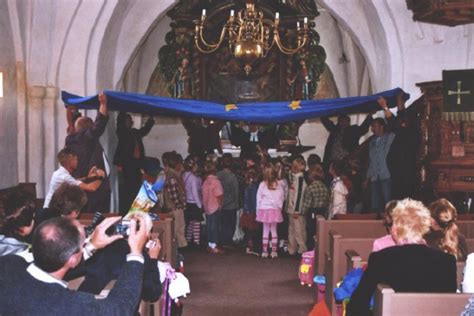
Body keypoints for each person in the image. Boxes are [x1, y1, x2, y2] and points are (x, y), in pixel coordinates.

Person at [0, 215, 150, 315]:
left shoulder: (8, 264)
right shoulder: (70, 305)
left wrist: (91, 246)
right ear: (72, 260)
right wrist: (136, 253)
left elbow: (52, 265)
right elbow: (120, 308)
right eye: (84, 240)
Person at [347, 198, 457, 316]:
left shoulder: (381, 258)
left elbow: (357, 305)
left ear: (395, 229)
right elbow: (450, 307)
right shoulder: (447, 261)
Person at [65, 92, 110, 213]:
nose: (70, 128)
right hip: (93, 190)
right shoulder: (85, 138)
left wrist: (70, 109)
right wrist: (103, 104)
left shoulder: (72, 140)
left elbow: (72, 125)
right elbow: (99, 124)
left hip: (84, 188)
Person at [114, 112, 155, 213]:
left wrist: (150, 120)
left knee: (136, 190)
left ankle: (135, 212)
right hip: (128, 166)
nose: (131, 122)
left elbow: (143, 131)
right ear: (123, 122)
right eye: (129, 120)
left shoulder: (134, 132)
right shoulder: (122, 132)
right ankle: (126, 213)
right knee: (129, 191)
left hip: (136, 166)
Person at [366, 117, 395, 213]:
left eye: (374, 126)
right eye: (371, 127)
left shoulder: (390, 137)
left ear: (382, 127)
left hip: (386, 175)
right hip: (375, 177)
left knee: (388, 203)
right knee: (375, 205)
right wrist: (368, 177)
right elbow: (371, 161)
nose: (372, 129)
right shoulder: (372, 142)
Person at [256, 163, 286, 258]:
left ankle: (264, 251)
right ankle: (274, 251)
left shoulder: (262, 184)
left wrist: (258, 211)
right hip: (275, 210)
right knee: (274, 230)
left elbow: (258, 198)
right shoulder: (279, 184)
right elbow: (281, 197)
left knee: (265, 230)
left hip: (264, 210)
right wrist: (279, 208)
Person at [163, 153, 188, 248]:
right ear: (176, 164)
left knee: (180, 226)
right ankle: (174, 247)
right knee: (176, 227)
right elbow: (174, 195)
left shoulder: (174, 175)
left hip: (177, 206)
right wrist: (180, 204)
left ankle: (181, 245)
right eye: (180, 163)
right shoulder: (172, 176)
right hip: (175, 207)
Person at [302, 163, 329, 249]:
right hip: (322, 211)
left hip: (313, 212)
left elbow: (307, 204)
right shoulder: (325, 187)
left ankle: (311, 248)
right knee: (319, 230)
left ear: (311, 176)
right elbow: (328, 201)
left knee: (311, 230)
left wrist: (302, 212)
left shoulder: (310, 188)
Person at [285, 156, 308, 256]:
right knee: (291, 229)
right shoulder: (294, 177)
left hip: (296, 210)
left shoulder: (300, 179)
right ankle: (292, 248)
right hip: (291, 208)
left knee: (299, 230)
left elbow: (299, 195)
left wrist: (296, 210)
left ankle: (302, 248)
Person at [217, 154, 239, 248]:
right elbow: (235, 191)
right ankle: (228, 241)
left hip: (220, 203)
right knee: (231, 224)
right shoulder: (232, 176)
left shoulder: (217, 175)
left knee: (222, 223)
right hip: (231, 204)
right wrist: (237, 203)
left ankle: (222, 240)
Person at [202, 161, 224, 254]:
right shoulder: (216, 182)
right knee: (215, 227)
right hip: (214, 206)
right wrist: (220, 205)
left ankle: (210, 244)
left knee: (209, 227)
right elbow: (219, 195)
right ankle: (214, 246)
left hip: (207, 207)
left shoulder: (205, 182)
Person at [183, 155, 203, 246]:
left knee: (190, 223)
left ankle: (188, 239)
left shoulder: (185, 175)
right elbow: (195, 193)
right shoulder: (193, 178)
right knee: (197, 223)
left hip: (188, 202)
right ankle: (197, 241)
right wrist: (200, 205)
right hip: (194, 203)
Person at [241, 166, 261, 256]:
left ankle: (248, 246)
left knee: (248, 230)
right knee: (253, 230)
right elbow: (254, 200)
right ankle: (251, 247)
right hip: (252, 212)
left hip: (246, 211)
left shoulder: (247, 186)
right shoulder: (255, 187)